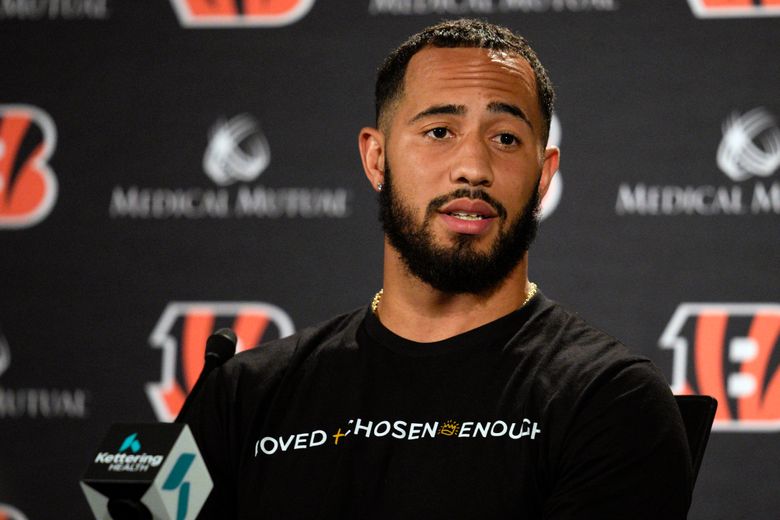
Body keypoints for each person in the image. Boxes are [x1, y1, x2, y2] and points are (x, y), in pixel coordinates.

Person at [185, 19, 693, 518]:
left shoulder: (611, 401)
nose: (473, 166)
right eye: (439, 131)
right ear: (377, 160)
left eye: (507, 139)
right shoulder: (244, 394)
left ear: (544, 176)